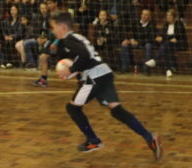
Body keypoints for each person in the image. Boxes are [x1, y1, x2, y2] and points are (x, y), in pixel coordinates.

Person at [52, 12, 162, 158]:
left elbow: (84, 56)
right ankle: (149, 137)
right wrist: (73, 72)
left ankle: (93, 140)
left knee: (72, 108)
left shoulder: (68, 39)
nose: (52, 30)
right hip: (104, 73)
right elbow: (83, 57)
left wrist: (71, 70)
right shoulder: (77, 37)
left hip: (94, 76)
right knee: (116, 109)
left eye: (53, 27)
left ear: (62, 27)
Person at [147, 8, 188, 78]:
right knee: (167, 47)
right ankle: (168, 70)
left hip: (179, 44)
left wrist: (165, 38)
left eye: (169, 16)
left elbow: (177, 35)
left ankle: (155, 60)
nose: (168, 17)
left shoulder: (179, 23)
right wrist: (160, 37)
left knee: (166, 45)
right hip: (169, 44)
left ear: (174, 17)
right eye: (167, 16)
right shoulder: (166, 24)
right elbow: (163, 34)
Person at [121, 8, 156, 75]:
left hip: (145, 43)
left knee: (148, 46)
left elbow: (150, 38)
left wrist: (138, 42)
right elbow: (128, 32)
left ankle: (146, 68)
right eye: (143, 14)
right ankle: (125, 68)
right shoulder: (135, 22)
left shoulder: (152, 24)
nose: (144, 16)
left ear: (149, 17)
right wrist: (130, 39)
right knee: (124, 45)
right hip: (135, 42)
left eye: (146, 15)